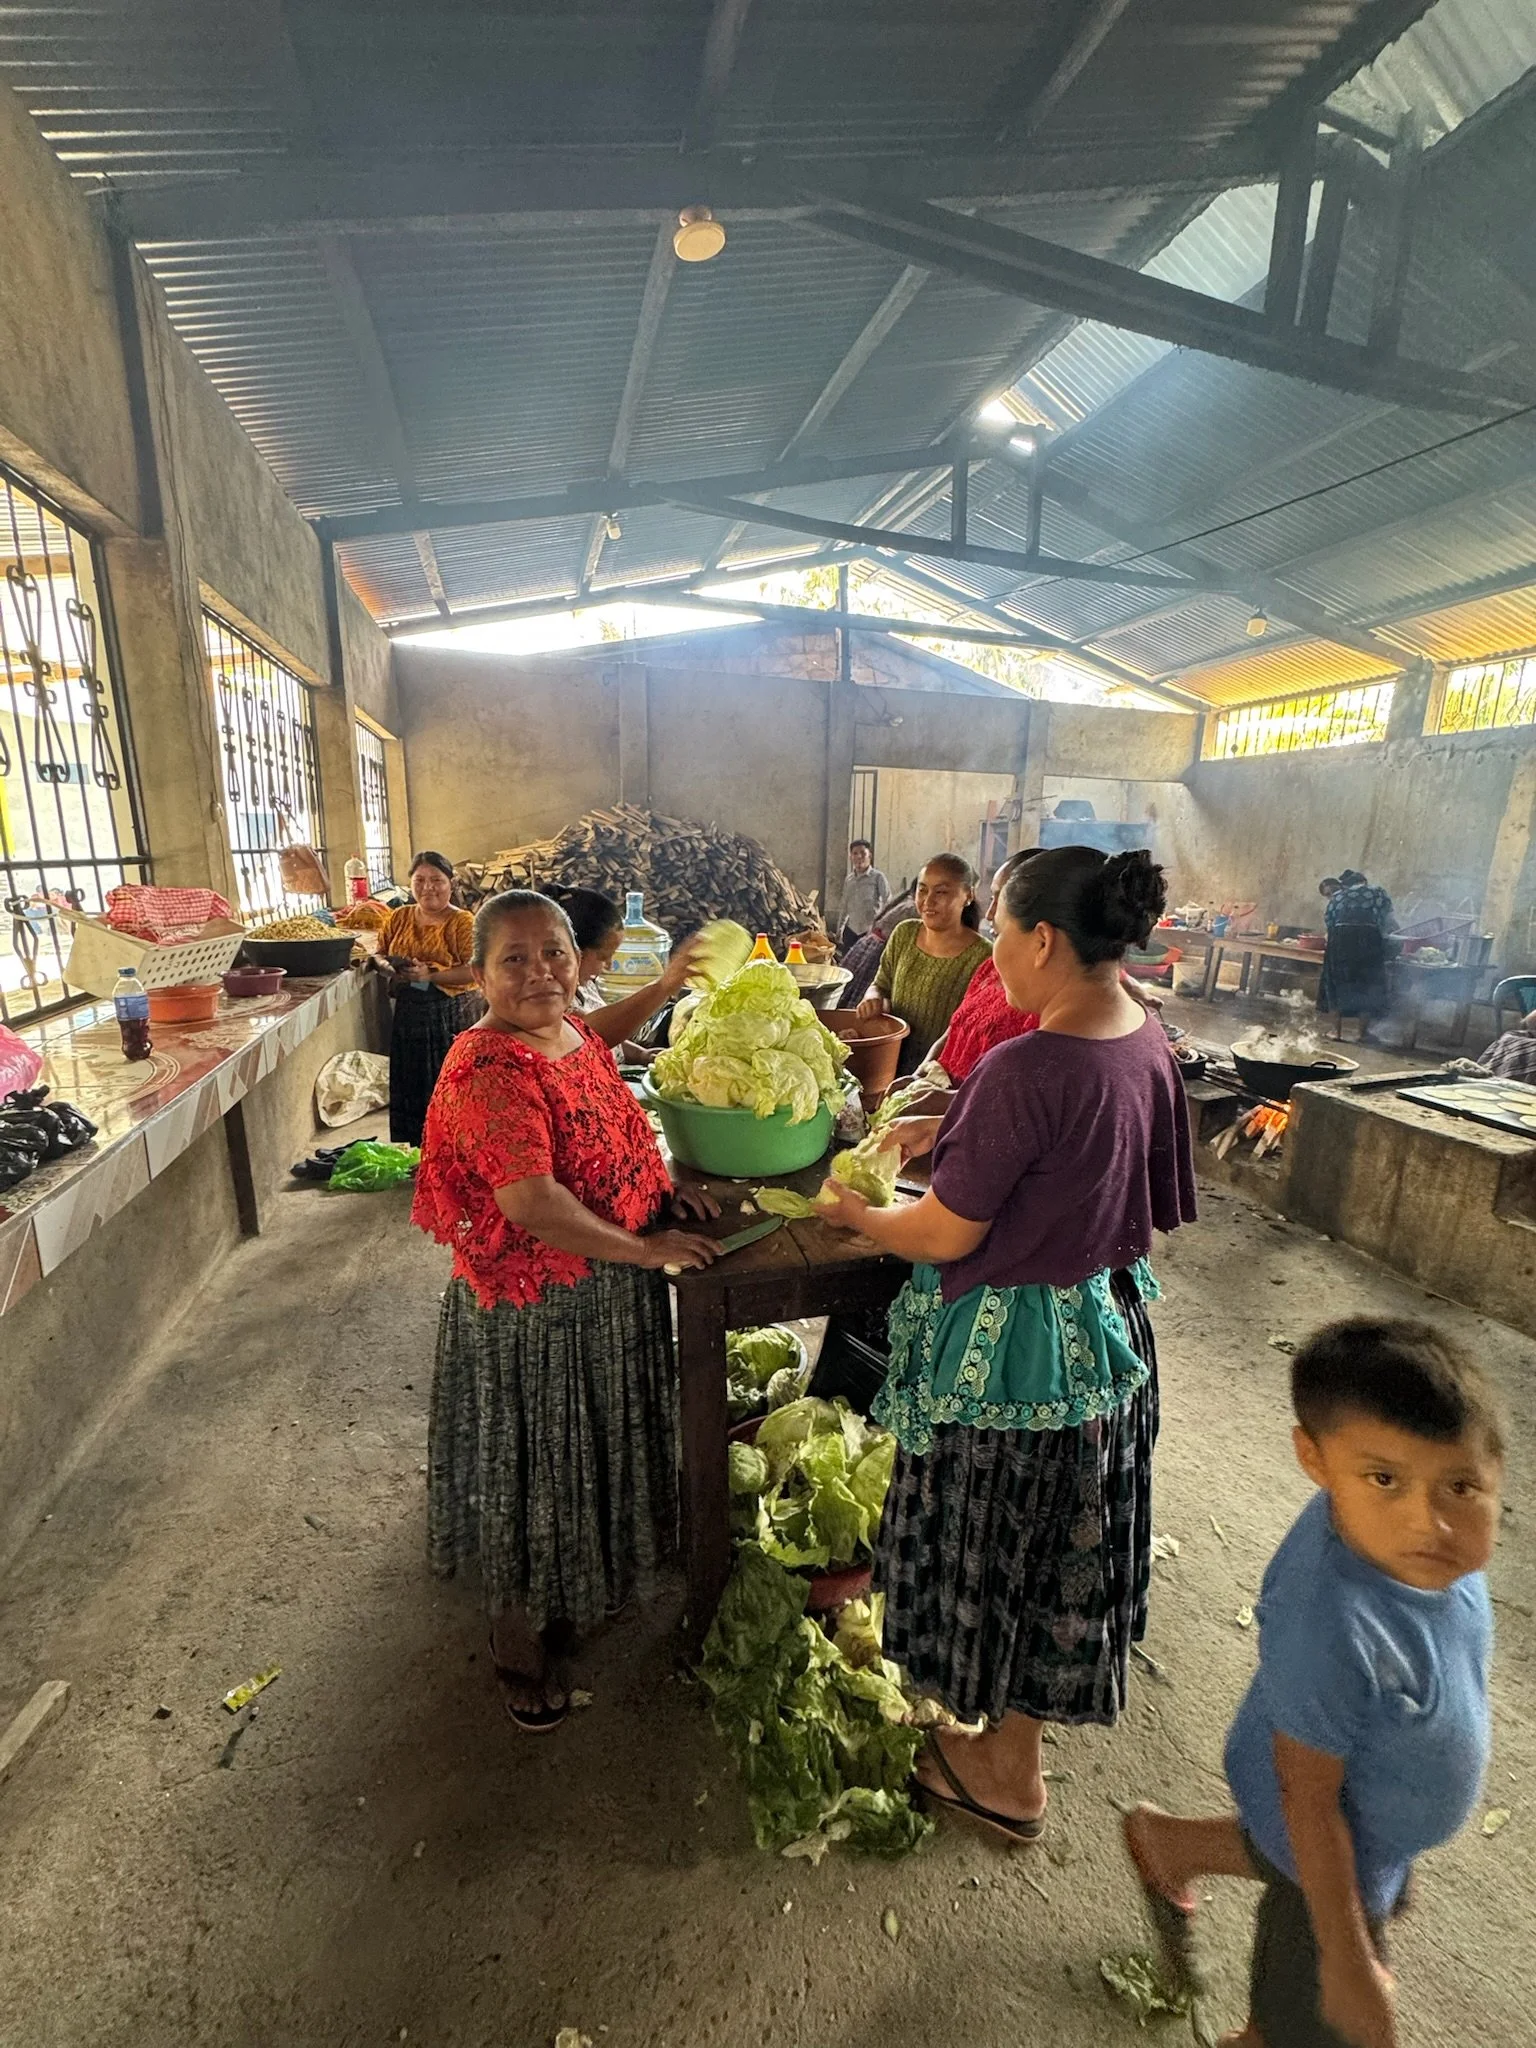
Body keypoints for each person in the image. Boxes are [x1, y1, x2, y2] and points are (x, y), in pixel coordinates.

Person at [818, 846, 1198, 1839]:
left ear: (1040, 937)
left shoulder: (1029, 1062)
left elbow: (945, 1232)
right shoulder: (1143, 1036)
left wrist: (858, 1214)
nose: (995, 967)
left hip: (1014, 1359)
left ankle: (1002, 1769)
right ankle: (1012, 1748)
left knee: (994, 1544)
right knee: (1058, 1554)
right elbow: (1104, 1165)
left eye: (1001, 944)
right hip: (1106, 1341)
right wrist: (943, 1124)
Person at [1123, 1319, 1501, 2048]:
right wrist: (1349, 1960)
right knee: (1306, 2021)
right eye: (1384, 1480)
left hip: (1370, 1821)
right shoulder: (1331, 1624)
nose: (1432, 1524)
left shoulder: (1414, 1553)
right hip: (1322, 1831)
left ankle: (1166, 1844)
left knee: (1291, 1863)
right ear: (1315, 1461)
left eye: (1461, 1485)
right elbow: (1310, 1804)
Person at [412, 890, 721, 1730]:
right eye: (514, 959)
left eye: (554, 953)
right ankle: (518, 1646)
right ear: (478, 976)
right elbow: (531, 1202)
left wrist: (659, 1189)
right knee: (535, 1469)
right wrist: (647, 1249)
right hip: (536, 1313)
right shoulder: (487, 1068)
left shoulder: (566, 1026)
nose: (540, 972)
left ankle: (587, 1578)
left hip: (601, 1296)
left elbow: (595, 1036)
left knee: (586, 1454)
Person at [375, 851, 481, 1146]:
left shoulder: (462, 922)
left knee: (446, 1084)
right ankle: (412, 1149)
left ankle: (448, 1151)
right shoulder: (399, 917)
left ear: (451, 883)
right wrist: (388, 967)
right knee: (409, 1083)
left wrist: (429, 976)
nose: (427, 888)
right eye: (419, 880)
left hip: (450, 1014)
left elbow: (474, 970)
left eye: (436, 880)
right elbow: (378, 952)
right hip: (408, 1013)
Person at [857, 853, 992, 1073]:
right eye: (922, 890)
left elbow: (973, 1029)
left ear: (967, 895)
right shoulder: (904, 933)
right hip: (891, 1063)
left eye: (941, 892)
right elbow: (881, 984)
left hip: (939, 1076)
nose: (928, 901)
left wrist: (927, 1075)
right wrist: (873, 997)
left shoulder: (983, 957)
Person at [547, 884, 701, 1054]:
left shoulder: (586, 987)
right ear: (575, 952)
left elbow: (611, 1035)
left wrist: (640, 1054)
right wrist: (662, 987)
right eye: (603, 956)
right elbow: (589, 1033)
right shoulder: (547, 998)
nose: (609, 965)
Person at [1318, 869, 1395, 1040]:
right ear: (1364, 881)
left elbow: (1329, 923)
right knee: (1367, 983)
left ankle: (1335, 1032)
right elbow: (1387, 919)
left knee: (1335, 984)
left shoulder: (1337, 897)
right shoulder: (1378, 892)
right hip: (1368, 940)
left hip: (1340, 942)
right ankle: (1362, 1033)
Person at [840, 887, 915, 1009]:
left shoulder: (904, 902)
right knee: (863, 1000)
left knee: (851, 993)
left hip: (868, 945)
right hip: (877, 951)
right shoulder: (912, 909)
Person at [838, 839, 890, 955]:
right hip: (851, 931)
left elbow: (888, 903)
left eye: (863, 853)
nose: (859, 857)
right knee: (848, 965)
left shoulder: (878, 877)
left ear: (869, 855)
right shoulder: (849, 880)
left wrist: (881, 928)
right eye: (855, 853)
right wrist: (839, 929)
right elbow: (844, 906)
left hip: (870, 932)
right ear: (851, 857)